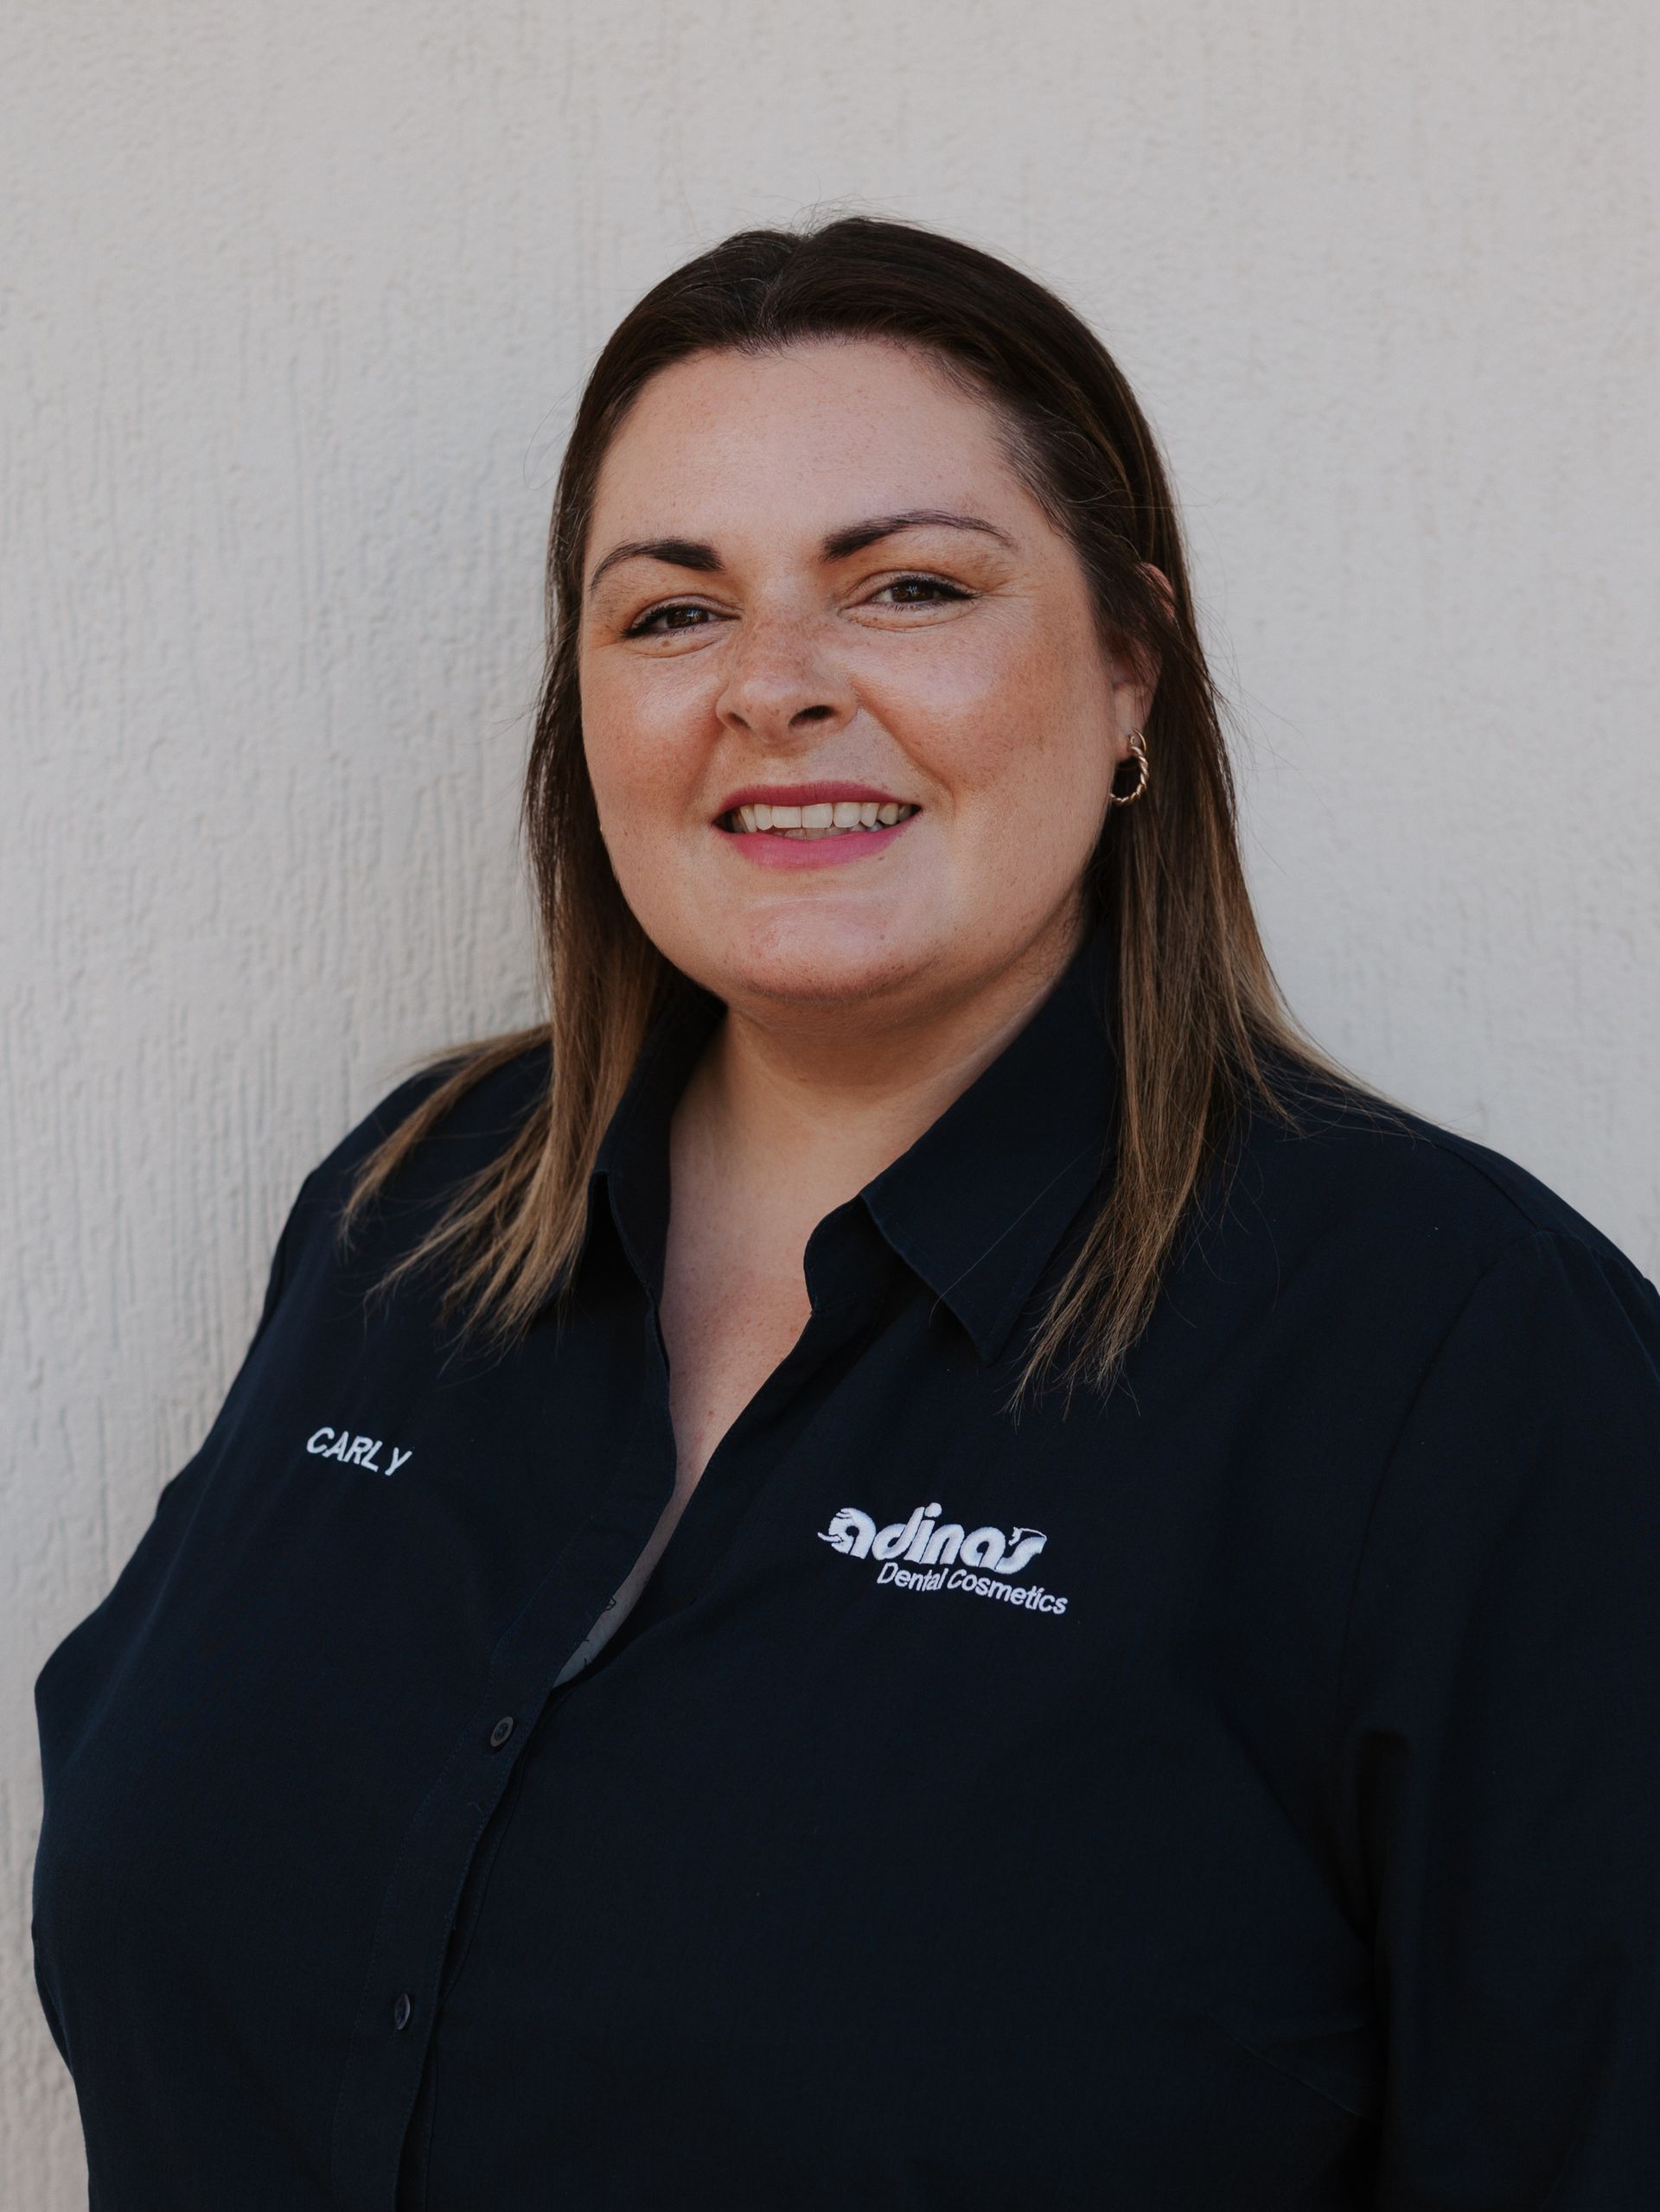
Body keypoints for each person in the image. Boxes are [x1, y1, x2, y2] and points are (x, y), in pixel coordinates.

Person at [30, 214, 1660, 2210]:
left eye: (906, 586)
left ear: (1130, 663)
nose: (774, 688)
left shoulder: (1458, 1357)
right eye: (670, 612)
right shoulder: (406, 1213)